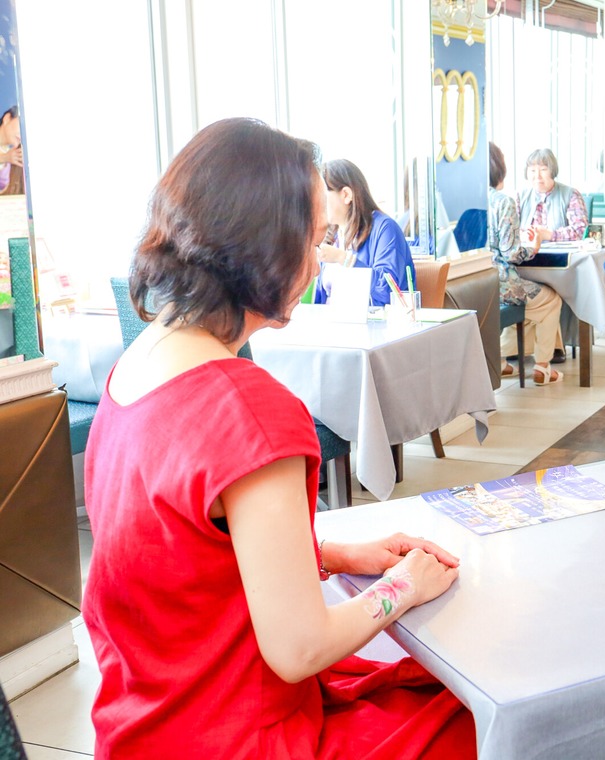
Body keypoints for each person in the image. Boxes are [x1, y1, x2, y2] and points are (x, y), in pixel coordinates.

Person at [82, 118, 475, 757]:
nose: (318, 261)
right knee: (475, 722)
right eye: (315, 241)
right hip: (240, 736)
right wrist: (405, 586)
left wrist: (342, 555)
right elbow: (298, 650)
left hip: (142, 725)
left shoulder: (136, 369)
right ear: (265, 248)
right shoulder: (249, 409)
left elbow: (187, 554)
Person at [488, 141, 564, 385]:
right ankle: (542, 367)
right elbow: (511, 253)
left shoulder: (470, 200)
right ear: (500, 168)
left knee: (532, 302)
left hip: (476, 283)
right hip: (501, 284)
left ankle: (500, 362)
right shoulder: (504, 202)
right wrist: (533, 248)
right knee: (551, 300)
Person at [313, 158, 412, 307]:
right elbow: (317, 300)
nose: (317, 203)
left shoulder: (385, 229)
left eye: (322, 196)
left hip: (376, 326)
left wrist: (343, 258)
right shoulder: (330, 236)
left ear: (346, 195)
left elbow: (387, 291)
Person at [517, 148, 588, 244]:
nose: (537, 176)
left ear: (553, 171)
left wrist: (549, 235)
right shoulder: (520, 196)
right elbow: (509, 232)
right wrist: (523, 236)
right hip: (526, 255)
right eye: (532, 170)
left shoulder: (571, 195)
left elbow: (581, 231)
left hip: (561, 256)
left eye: (543, 170)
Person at [0, 105, 22, 194]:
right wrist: (4, 158)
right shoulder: (8, 156)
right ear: (7, 118)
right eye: (21, 125)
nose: (21, 134)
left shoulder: (10, 156)